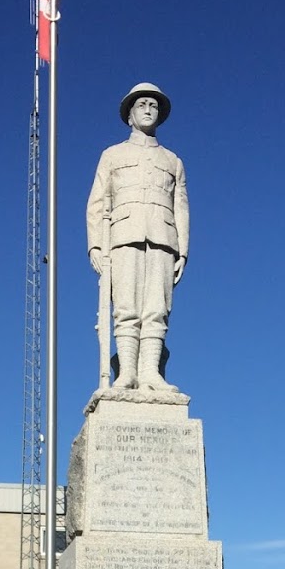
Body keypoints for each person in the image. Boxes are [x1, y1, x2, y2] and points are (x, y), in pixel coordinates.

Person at [86, 82, 189, 391]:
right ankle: (127, 372)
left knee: (157, 309)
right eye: (141, 104)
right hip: (123, 237)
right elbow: (97, 202)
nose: (148, 109)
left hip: (162, 238)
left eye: (153, 105)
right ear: (130, 115)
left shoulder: (173, 161)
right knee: (126, 308)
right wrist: (95, 245)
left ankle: (150, 374)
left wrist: (182, 251)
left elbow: (180, 207)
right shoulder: (112, 155)